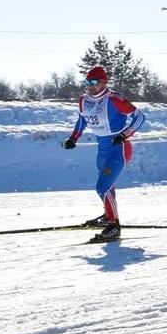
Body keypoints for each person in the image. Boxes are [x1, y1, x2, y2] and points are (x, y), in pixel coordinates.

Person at [60, 65, 147, 242]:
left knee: (102, 186)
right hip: (102, 150)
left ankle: (114, 227)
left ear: (103, 82)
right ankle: (109, 216)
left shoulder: (114, 99)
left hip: (119, 150)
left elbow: (139, 117)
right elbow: (82, 120)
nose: (90, 86)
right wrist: (73, 138)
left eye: (94, 82)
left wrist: (124, 135)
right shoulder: (83, 100)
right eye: (87, 82)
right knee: (108, 187)